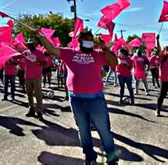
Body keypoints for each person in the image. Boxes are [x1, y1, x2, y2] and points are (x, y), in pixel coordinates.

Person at [39, 30, 120, 164]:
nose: (89, 42)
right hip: (76, 99)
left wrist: (105, 48)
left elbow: (114, 62)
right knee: (83, 130)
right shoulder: (70, 52)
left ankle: (111, 158)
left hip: (96, 99)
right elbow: (52, 49)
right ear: (80, 41)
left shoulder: (99, 54)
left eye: (90, 40)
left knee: (104, 129)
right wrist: (42, 37)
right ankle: (90, 157)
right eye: (86, 39)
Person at [23, 39, 47, 120]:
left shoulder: (39, 53)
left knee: (38, 94)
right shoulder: (25, 53)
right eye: (28, 44)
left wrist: (38, 62)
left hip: (37, 77)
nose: (28, 45)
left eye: (30, 44)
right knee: (29, 94)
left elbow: (45, 63)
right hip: (27, 77)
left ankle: (39, 111)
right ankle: (31, 109)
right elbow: (17, 57)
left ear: (34, 44)